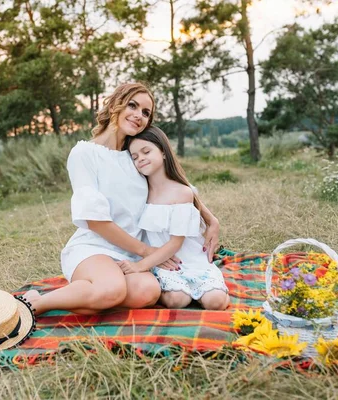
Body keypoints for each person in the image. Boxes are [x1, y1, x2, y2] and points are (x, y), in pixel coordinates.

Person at [22, 83, 221, 315]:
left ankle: (89, 294)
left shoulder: (136, 155)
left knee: (149, 292)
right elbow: (94, 221)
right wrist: (147, 251)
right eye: (133, 105)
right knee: (111, 290)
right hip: (95, 247)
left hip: (130, 254)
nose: (139, 116)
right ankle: (33, 304)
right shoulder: (84, 153)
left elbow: (173, 185)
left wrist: (211, 219)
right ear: (116, 104)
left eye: (146, 113)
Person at [118, 126, 230, 310]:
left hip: (192, 259)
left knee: (215, 302)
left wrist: (140, 266)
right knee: (177, 301)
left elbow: (176, 243)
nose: (141, 159)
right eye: (135, 157)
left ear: (163, 152)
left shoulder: (182, 192)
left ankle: (210, 290)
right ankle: (183, 292)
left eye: (146, 151)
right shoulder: (140, 191)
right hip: (165, 263)